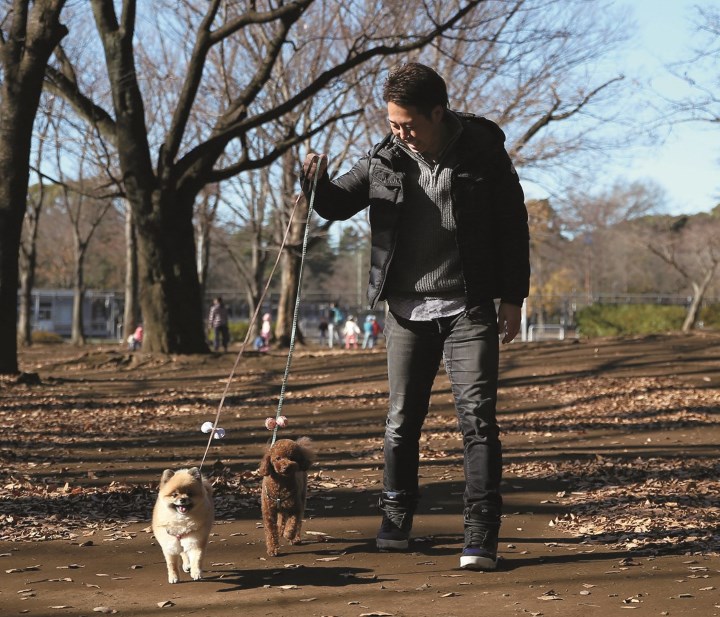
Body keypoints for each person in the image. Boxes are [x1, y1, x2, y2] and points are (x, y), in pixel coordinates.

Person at [301, 63, 529, 571]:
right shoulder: (384, 158)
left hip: (468, 306)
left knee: (478, 422)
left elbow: (514, 224)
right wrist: (312, 179)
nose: (400, 132)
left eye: (409, 124)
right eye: (392, 123)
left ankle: (480, 533)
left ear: (438, 113)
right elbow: (336, 205)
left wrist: (512, 297)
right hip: (406, 309)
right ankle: (396, 519)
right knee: (402, 422)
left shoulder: (483, 153)